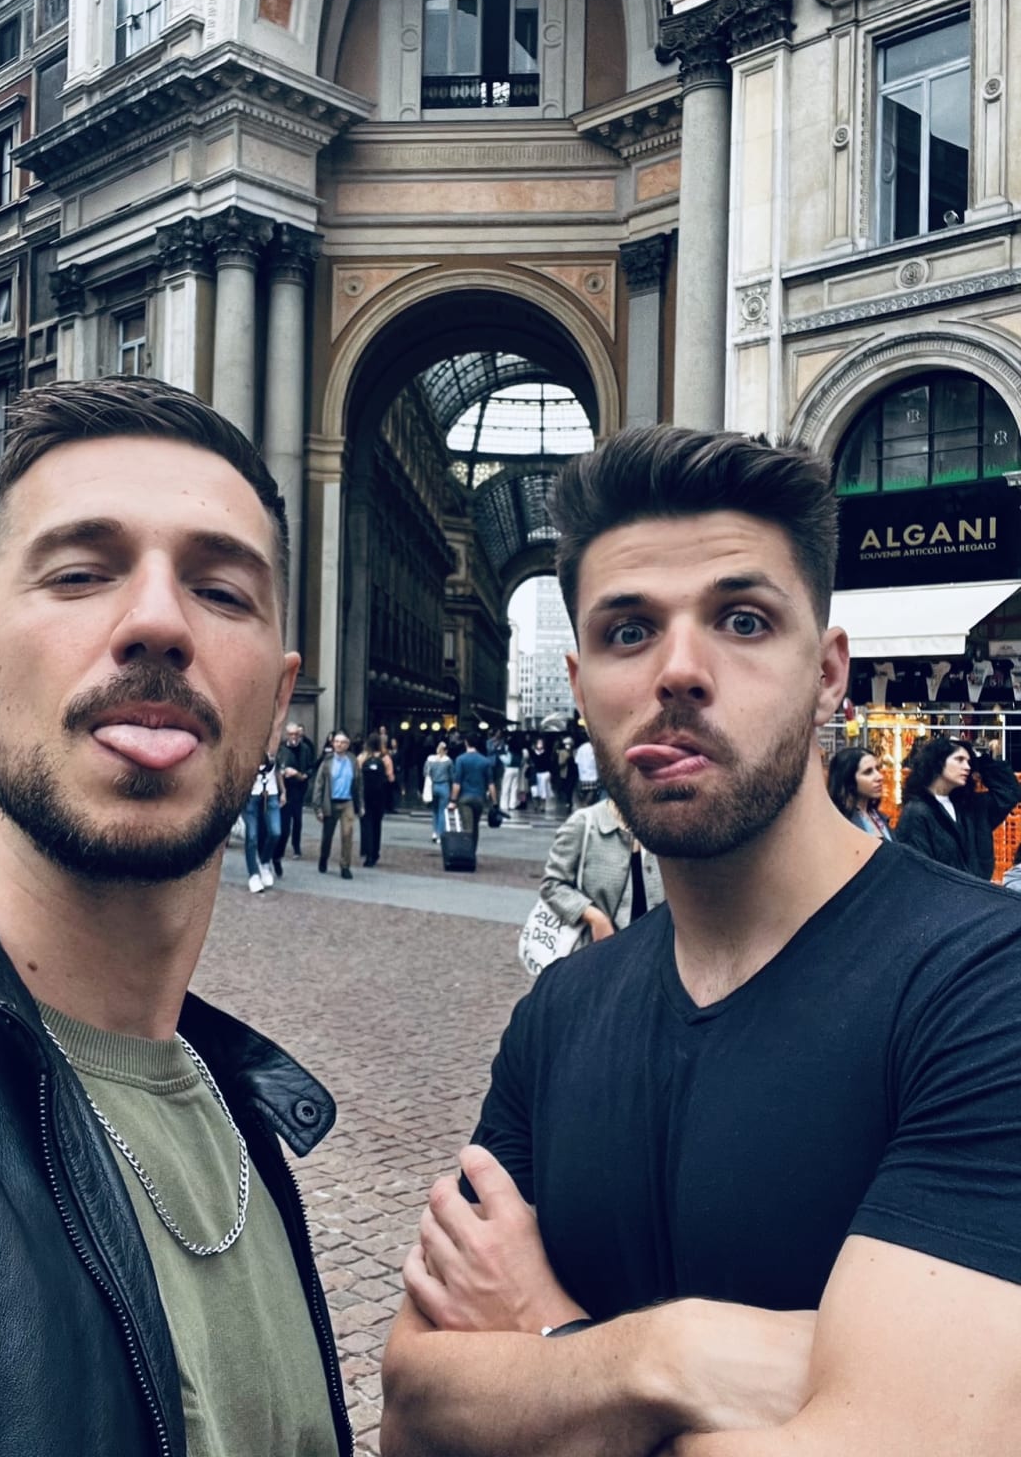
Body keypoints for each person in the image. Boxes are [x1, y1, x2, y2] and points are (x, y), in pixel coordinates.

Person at [381, 423, 1021, 1457]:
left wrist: (548, 1341)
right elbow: (413, 1414)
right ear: (583, 685)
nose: (680, 669)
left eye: (741, 618)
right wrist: (663, 1358)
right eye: (630, 632)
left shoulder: (990, 989)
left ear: (827, 673)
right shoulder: (560, 1012)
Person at [0, 378, 350, 1455]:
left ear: (278, 695)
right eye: (79, 573)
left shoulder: (243, 1113)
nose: (156, 620)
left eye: (223, 591)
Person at [538, 796, 664, 949]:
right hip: (598, 953)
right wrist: (594, 917)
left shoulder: (664, 826)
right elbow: (552, 885)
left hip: (654, 951)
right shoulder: (585, 822)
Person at [894, 735, 1018, 878]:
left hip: (977, 896)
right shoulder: (917, 812)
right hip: (943, 897)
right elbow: (915, 870)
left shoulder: (971, 808)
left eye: (969, 762)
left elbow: (1009, 792)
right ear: (938, 762)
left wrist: (980, 759)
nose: (967, 767)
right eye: (959, 760)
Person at [313, 729, 362, 879]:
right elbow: (319, 785)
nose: (339, 745)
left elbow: (359, 784)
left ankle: (345, 866)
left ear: (347, 745)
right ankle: (324, 857)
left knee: (347, 835)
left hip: (347, 802)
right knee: (327, 835)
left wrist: (361, 804)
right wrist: (318, 807)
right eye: (337, 742)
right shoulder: (327, 762)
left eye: (343, 742)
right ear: (333, 743)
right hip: (330, 803)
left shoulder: (353, 761)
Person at [274, 720, 316, 870]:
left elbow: (311, 767)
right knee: (284, 826)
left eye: (296, 734)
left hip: (299, 790)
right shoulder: (281, 749)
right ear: (287, 735)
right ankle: (278, 853)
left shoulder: (305, 748)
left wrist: (304, 775)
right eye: (291, 734)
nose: (294, 737)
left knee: (297, 820)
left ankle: (296, 847)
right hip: (285, 790)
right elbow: (277, 768)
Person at [826, 746, 892, 840]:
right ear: (849, 779)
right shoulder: (840, 822)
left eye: (877, 769)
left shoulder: (877, 816)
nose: (879, 777)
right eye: (868, 772)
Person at [243, 753, 282, 894]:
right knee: (251, 836)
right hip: (250, 793)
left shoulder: (275, 745)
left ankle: (264, 862)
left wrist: (283, 791)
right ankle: (253, 874)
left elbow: (278, 769)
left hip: (271, 792)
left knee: (275, 832)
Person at [449, 736, 497, 851]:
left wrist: (453, 800)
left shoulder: (461, 759)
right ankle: (473, 851)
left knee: (467, 827)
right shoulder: (485, 761)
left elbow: (457, 783)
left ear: (466, 742)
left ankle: (466, 853)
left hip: (465, 798)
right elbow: (491, 784)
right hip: (479, 798)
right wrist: (495, 802)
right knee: (475, 826)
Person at [358, 730, 394, 867]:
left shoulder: (362, 757)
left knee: (366, 824)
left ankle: (367, 852)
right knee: (376, 824)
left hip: (366, 794)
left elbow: (357, 775)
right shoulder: (385, 758)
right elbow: (391, 777)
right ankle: (375, 852)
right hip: (379, 795)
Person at [424, 739, 455, 843]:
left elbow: (425, 773)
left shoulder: (430, 760)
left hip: (433, 786)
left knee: (435, 811)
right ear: (445, 750)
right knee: (442, 811)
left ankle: (434, 832)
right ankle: (440, 834)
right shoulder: (448, 761)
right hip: (444, 786)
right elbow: (452, 776)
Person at [574, 733, 600, 807]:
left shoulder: (580, 748)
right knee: (592, 794)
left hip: (582, 776)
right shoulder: (594, 748)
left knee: (585, 794)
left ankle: (584, 805)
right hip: (593, 776)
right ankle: (586, 806)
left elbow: (576, 761)